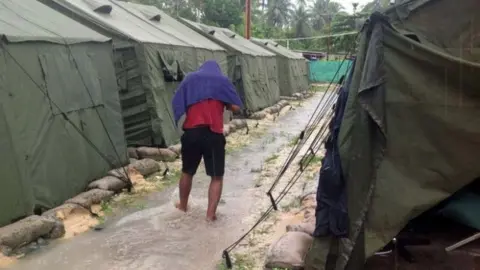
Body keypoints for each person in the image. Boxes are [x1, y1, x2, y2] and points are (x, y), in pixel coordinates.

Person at [172, 60, 243, 221]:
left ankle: (182, 207)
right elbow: (236, 107)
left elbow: (177, 100)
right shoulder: (222, 82)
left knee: (187, 172)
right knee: (216, 176)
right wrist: (223, 101)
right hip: (213, 134)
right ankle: (210, 215)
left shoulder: (190, 79)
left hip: (192, 133)